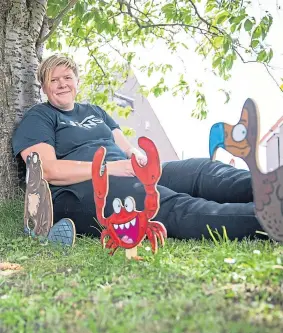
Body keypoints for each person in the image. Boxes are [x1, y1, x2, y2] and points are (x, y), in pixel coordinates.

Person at [12, 54, 265, 246]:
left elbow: (126, 148)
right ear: (44, 88)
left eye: (67, 77)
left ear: (77, 81)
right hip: (80, 190)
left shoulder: (95, 111)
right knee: (166, 204)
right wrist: (111, 169)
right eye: (53, 80)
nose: (62, 84)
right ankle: (268, 217)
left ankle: (269, 188)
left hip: (123, 170)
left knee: (200, 170)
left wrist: (138, 159)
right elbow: (48, 170)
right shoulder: (40, 117)